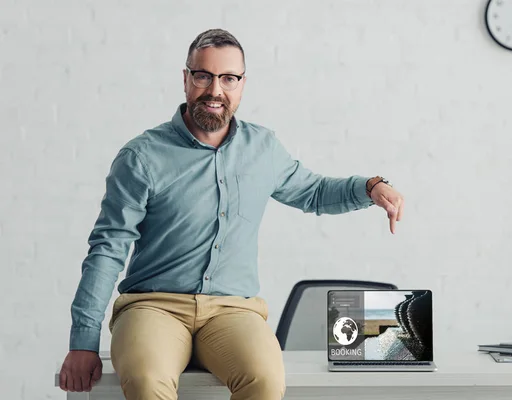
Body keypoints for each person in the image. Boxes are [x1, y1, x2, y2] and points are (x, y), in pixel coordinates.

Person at [58, 28, 404, 400]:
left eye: (228, 78)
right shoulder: (141, 157)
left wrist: (371, 186)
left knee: (265, 380)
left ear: (242, 83)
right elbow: (108, 249)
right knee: (147, 381)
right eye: (203, 76)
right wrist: (83, 341)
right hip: (153, 307)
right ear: (186, 79)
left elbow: (315, 191)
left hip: (233, 310)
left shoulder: (263, 148)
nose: (215, 90)